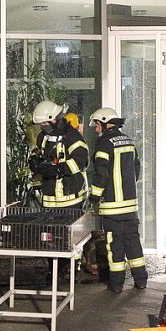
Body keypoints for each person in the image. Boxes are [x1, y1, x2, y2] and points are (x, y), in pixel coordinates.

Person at [88, 107, 147, 293]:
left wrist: (94, 197)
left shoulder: (104, 143)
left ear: (104, 123)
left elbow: (101, 173)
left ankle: (116, 285)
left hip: (112, 207)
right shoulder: (129, 141)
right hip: (130, 206)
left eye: (96, 125)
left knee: (115, 246)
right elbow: (136, 169)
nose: (95, 129)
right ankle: (141, 281)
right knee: (133, 243)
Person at [29, 100, 89, 211]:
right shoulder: (43, 137)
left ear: (55, 119)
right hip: (49, 200)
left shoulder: (73, 137)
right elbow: (38, 152)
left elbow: (81, 162)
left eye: (45, 123)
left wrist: (58, 169)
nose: (43, 127)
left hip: (71, 200)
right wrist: (35, 161)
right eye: (41, 124)